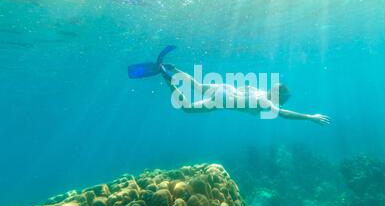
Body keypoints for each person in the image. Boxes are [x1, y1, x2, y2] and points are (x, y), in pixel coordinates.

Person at [127, 45, 330, 125]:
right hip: (223, 99)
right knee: (187, 109)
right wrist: (309, 117)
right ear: (278, 98)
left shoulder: (260, 90)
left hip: (223, 88)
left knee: (197, 86)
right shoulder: (266, 103)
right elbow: (285, 114)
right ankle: (166, 77)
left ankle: (174, 68)